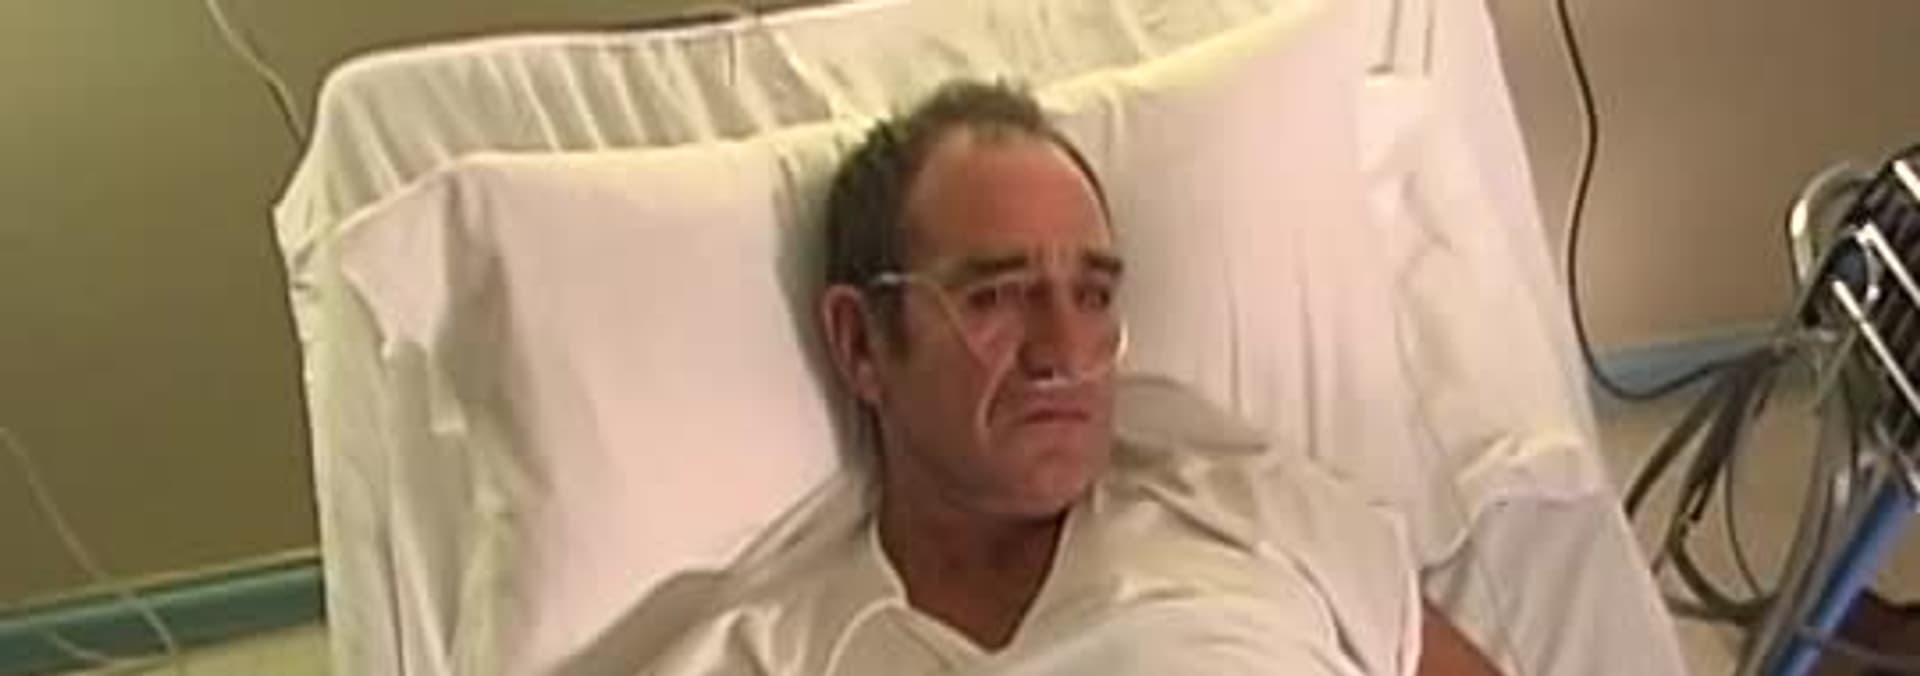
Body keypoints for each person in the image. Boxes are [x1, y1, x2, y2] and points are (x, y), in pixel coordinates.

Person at [634, 80, 1503, 675]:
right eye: (995, 296)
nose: (1064, 352)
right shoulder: (762, 655)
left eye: (1091, 296)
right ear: (861, 342)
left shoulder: (1256, 515)